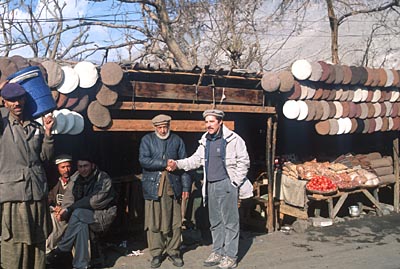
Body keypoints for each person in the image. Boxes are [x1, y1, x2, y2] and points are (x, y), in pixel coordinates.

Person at [168, 109, 250, 269]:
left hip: (227, 184)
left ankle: (230, 256)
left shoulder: (233, 139)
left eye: (212, 122)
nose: (208, 125)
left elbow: (244, 161)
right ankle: (218, 252)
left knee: (230, 222)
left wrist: (235, 182)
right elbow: (195, 160)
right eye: (206, 122)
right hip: (210, 184)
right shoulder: (206, 140)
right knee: (215, 221)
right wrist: (177, 163)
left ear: (220, 122)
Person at [0, 82, 55, 269]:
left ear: (25, 99)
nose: (17, 104)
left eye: (19, 99)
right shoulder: (2, 122)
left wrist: (48, 134)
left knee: (38, 242)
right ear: (4, 102)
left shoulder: (34, 126)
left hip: (37, 192)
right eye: (11, 100)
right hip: (14, 195)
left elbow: (45, 158)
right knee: (15, 244)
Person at [46, 155, 117, 269]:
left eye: (85, 166)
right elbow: (68, 197)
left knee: (78, 213)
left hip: (101, 216)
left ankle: (62, 248)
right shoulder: (76, 177)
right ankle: (81, 265)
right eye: (80, 166)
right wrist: (64, 209)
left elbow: (94, 202)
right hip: (81, 217)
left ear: (92, 165)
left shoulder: (103, 178)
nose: (82, 169)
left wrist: (71, 208)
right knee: (80, 223)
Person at [139, 114, 191, 268]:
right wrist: (164, 163)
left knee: (175, 221)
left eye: (165, 127)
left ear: (169, 126)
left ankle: (174, 251)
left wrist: (186, 187)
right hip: (153, 186)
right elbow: (143, 160)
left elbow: (185, 165)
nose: (162, 130)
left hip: (172, 186)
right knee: (154, 221)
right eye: (159, 127)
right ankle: (156, 253)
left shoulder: (177, 140)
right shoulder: (147, 140)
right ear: (154, 127)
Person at [46, 154, 73, 254]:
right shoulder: (56, 183)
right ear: (58, 168)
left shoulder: (75, 181)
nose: (66, 170)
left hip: (70, 215)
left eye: (68, 166)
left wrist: (63, 209)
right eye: (63, 167)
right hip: (57, 214)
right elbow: (49, 199)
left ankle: (49, 249)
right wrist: (54, 207)